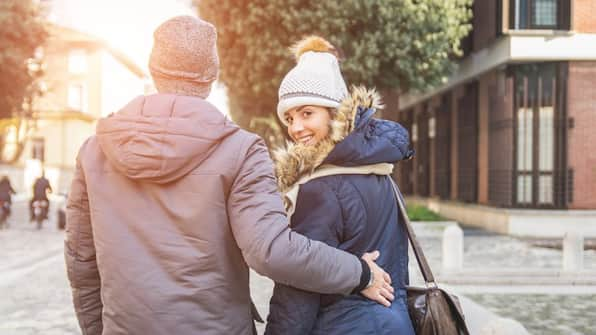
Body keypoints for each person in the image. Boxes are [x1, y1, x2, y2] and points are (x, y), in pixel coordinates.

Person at [64, 16, 395, 335]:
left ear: (153, 70)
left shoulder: (94, 151)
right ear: (211, 77)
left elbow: (82, 262)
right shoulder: (241, 150)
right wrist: (360, 273)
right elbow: (272, 250)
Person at [265, 36, 416, 335]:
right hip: (393, 323)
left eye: (307, 113)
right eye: (290, 117)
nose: (296, 128)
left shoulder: (318, 189)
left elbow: (298, 288)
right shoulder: (380, 172)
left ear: (334, 114)